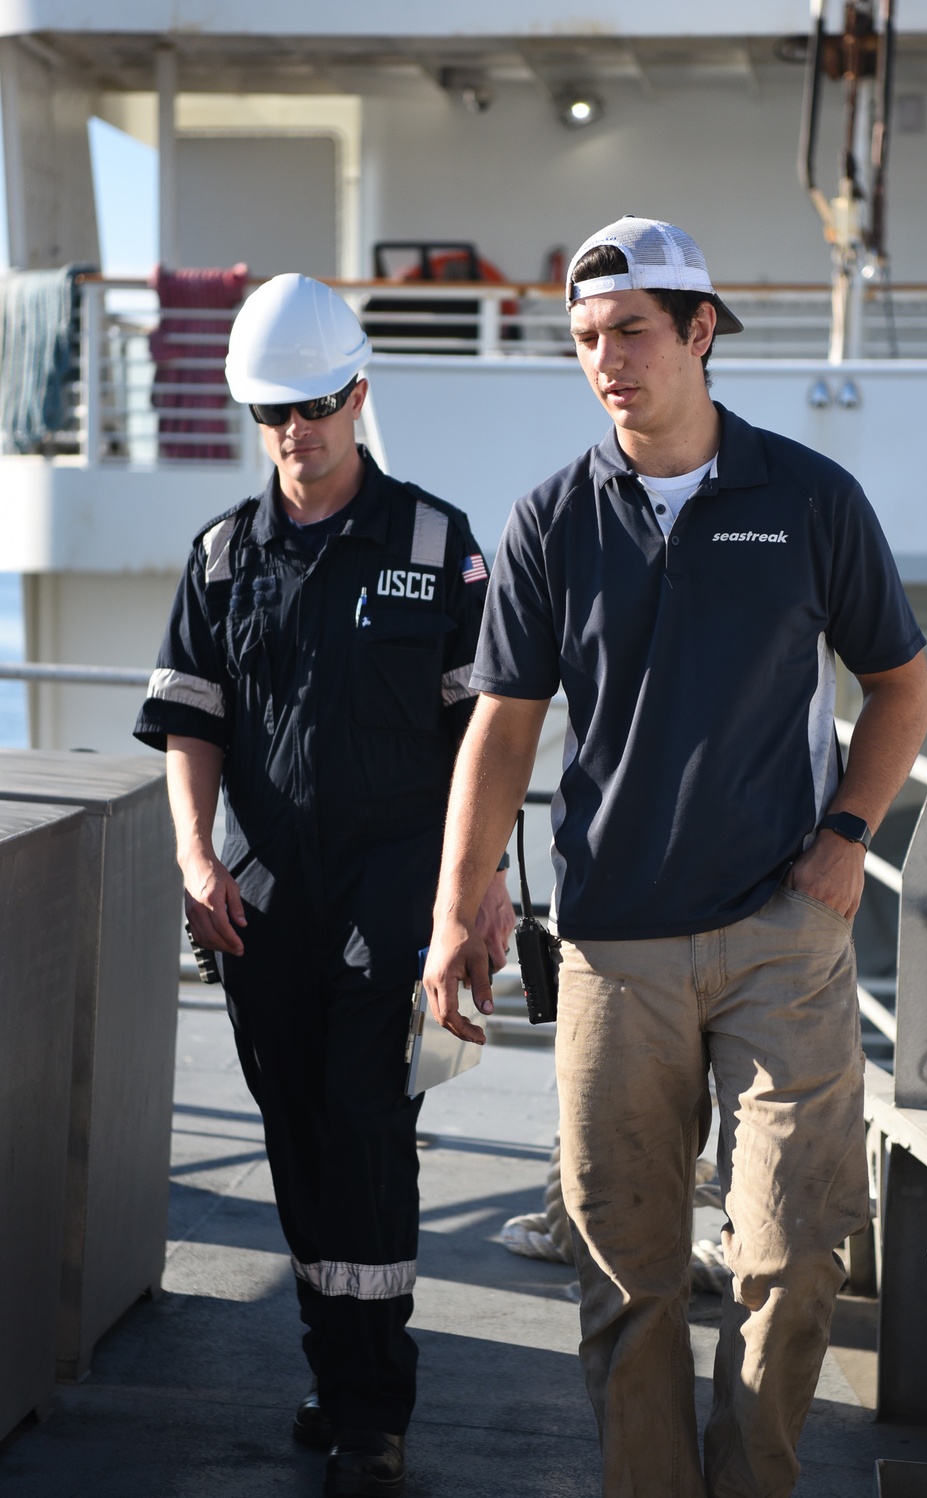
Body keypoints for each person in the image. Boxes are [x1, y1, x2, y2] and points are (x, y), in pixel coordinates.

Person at [424, 217, 927, 1498]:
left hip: (783, 934)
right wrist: (455, 908)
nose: (606, 360)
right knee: (625, 1279)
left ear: (701, 332)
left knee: (793, 1254)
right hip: (614, 946)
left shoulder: (809, 498)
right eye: (586, 339)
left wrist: (847, 837)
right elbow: (502, 726)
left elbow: (899, 686)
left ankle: (750, 1481)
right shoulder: (551, 518)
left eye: (631, 333)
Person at [134, 273, 514, 1498]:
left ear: (358, 392)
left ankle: (371, 1408)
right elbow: (191, 722)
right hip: (267, 911)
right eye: (270, 413)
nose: (293, 432)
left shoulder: (435, 543)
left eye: (312, 405)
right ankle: (333, 1367)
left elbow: (486, 742)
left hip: (397, 906)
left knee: (366, 1138)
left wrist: (487, 884)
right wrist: (195, 856)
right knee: (298, 1142)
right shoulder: (222, 554)